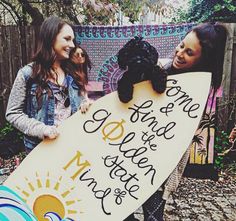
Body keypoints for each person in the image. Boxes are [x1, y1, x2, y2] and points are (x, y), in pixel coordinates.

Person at [125, 22, 228, 221]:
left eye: (189, 52)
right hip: (133, 154)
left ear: (203, 59)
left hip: (161, 164)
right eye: (181, 46)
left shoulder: (197, 92)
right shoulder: (159, 69)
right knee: (121, 209)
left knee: (154, 215)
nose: (180, 53)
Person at [5, 16, 91, 152]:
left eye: (73, 40)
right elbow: (12, 113)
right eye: (67, 39)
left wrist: (86, 105)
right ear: (51, 38)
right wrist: (42, 129)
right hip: (41, 151)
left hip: (72, 147)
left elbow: (81, 104)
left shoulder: (73, 73)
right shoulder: (28, 74)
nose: (72, 45)